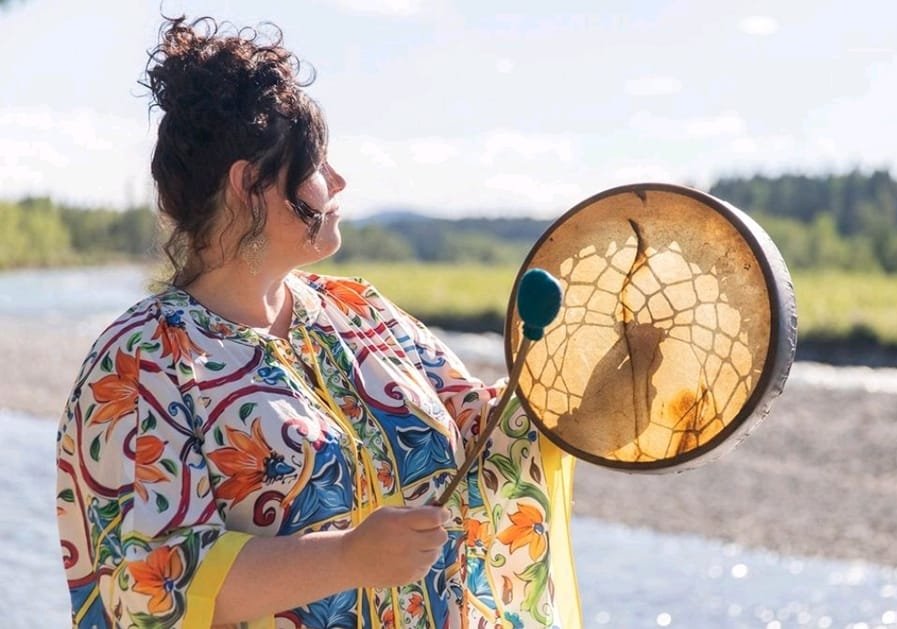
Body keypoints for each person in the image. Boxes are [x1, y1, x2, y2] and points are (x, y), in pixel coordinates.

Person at [55, 16, 578, 629]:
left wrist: (599, 370)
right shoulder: (143, 361)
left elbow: (486, 434)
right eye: (318, 163)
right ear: (251, 185)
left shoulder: (361, 311)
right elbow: (146, 588)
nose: (338, 182)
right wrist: (349, 557)